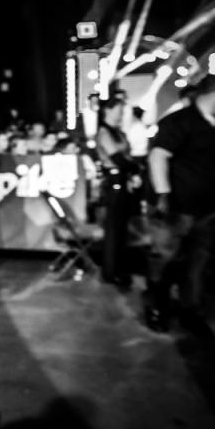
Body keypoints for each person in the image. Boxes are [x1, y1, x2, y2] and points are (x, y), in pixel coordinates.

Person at [143, 74, 215, 333]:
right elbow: (158, 157)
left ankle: (191, 310)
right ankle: (156, 307)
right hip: (175, 208)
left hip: (206, 210)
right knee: (165, 259)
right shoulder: (179, 122)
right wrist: (163, 196)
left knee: (198, 262)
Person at [95, 95, 138, 289]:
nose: (121, 113)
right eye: (119, 109)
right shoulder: (105, 132)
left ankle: (119, 268)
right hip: (114, 180)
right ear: (108, 110)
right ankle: (111, 271)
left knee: (121, 228)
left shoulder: (117, 131)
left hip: (122, 179)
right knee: (113, 228)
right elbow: (118, 158)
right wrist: (136, 168)